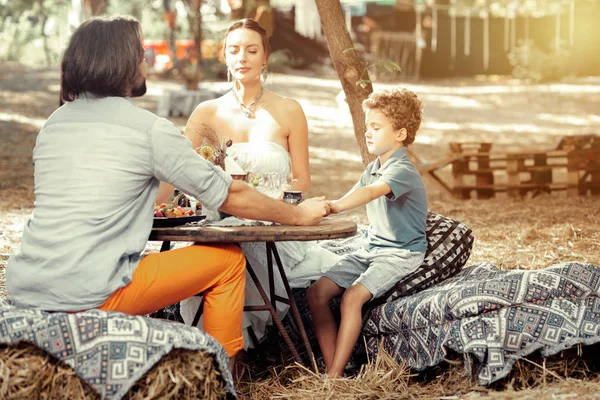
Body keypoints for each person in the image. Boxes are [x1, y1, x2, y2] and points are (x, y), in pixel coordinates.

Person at [5, 15, 329, 370]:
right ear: (122, 63)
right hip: (92, 293)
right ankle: (218, 377)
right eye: (141, 54)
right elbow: (229, 196)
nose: (146, 62)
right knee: (228, 261)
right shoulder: (149, 129)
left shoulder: (54, 124)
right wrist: (297, 214)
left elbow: (141, 197)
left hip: (27, 286)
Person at [157, 18, 338, 348]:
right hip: (219, 224)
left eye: (252, 50)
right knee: (217, 256)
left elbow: (303, 179)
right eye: (235, 50)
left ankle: (236, 353)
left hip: (274, 225)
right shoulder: (206, 113)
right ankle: (222, 358)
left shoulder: (288, 109)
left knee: (253, 257)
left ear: (265, 57)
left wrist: (277, 194)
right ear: (224, 55)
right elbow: (179, 173)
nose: (243, 57)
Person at [307, 88, 428, 377]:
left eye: (375, 127)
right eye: (366, 126)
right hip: (372, 248)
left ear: (400, 133)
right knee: (317, 294)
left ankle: (333, 380)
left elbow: (372, 192)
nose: (367, 133)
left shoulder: (402, 169)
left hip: (400, 253)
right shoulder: (374, 166)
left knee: (352, 297)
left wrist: (334, 205)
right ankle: (337, 366)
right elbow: (355, 193)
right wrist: (325, 208)